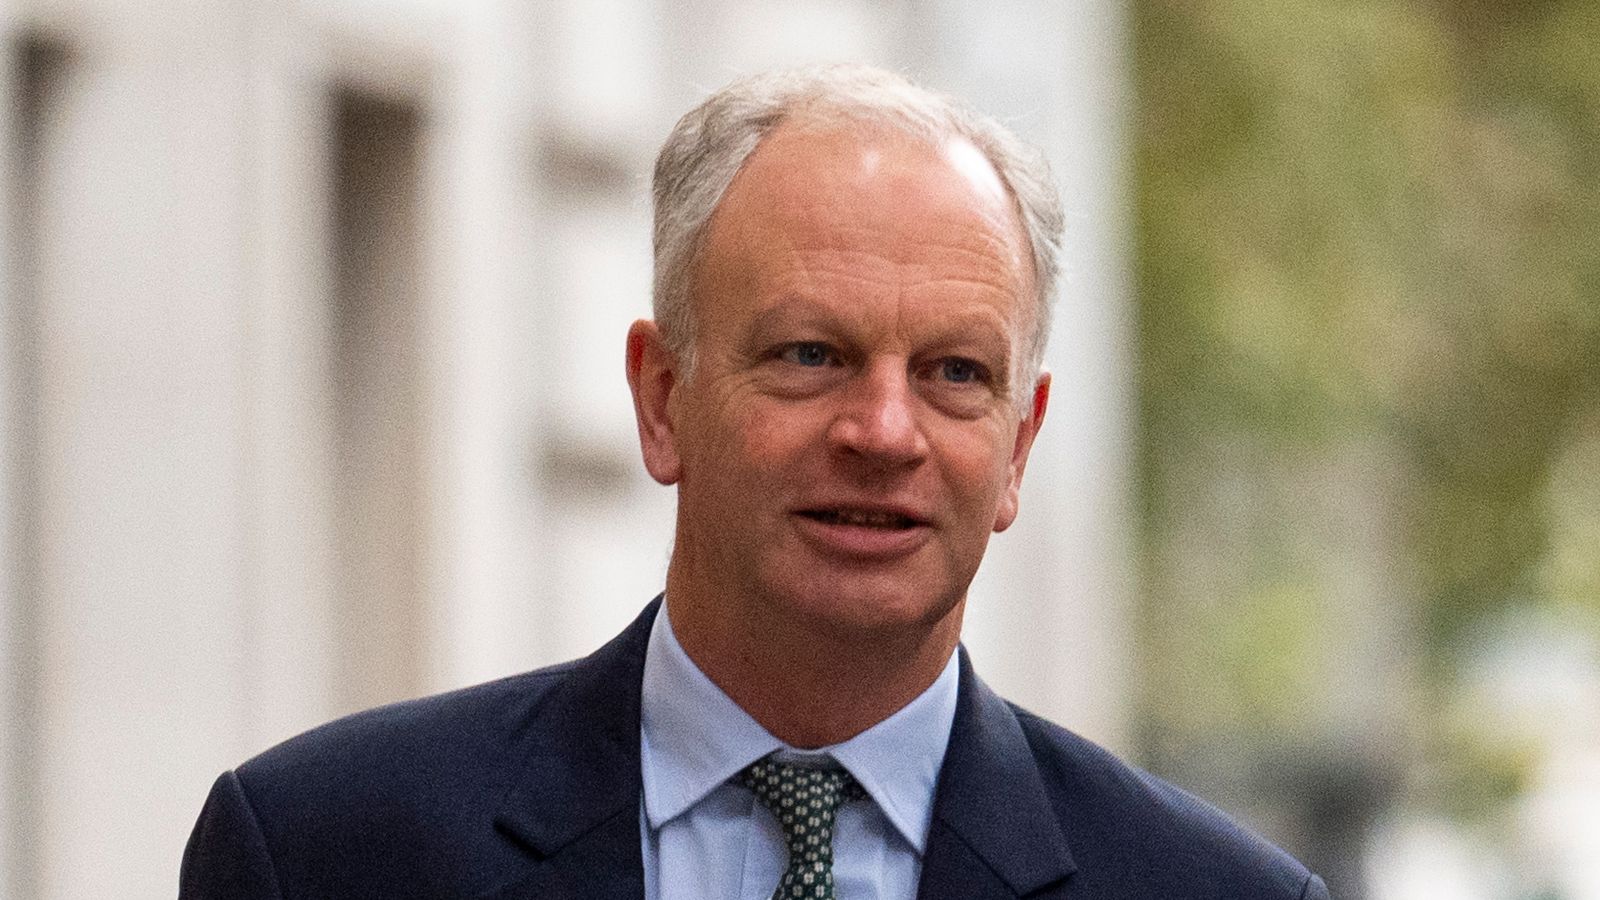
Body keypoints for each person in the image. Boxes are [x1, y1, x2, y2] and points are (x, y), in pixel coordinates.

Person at [180, 64, 1329, 900]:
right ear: (661, 397)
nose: (884, 431)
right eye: (809, 355)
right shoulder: (323, 852)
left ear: (1019, 444)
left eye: (954, 373)